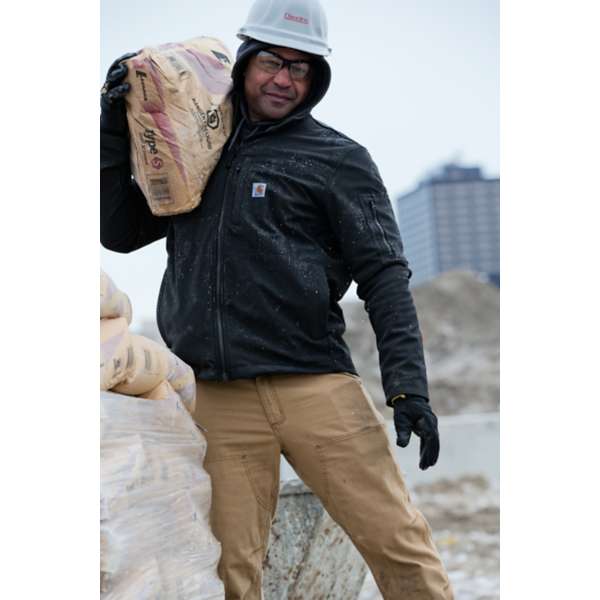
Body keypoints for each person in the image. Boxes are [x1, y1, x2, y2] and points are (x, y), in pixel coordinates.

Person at [100, 0, 454, 598]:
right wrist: (112, 131)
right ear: (244, 62)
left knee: (398, 543)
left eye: (301, 67)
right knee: (227, 573)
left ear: (317, 78)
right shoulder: (197, 152)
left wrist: (408, 388)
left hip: (315, 386)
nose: (284, 79)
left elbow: (385, 275)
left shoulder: (337, 159)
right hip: (218, 398)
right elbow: (120, 230)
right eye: (271, 62)